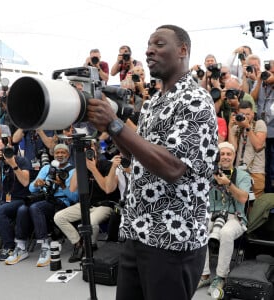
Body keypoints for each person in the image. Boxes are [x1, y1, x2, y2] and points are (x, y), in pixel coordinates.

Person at [87, 24, 218, 300]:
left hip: (172, 239)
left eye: (159, 44)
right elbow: (137, 154)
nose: (149, 50)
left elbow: (173, 167)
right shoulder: (153, 102)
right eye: (148, 44)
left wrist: (115, 124)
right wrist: (110, 127)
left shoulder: (195, 99)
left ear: (183, 50)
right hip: (139, 231)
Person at [4, 144, 78, 266]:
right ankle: (21, 246)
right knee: (22, 209)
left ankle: (45, 245)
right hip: (45, 198)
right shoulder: (47, 168)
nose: (59, 155)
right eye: (57, 152)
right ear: (53, 155)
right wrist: (37, 184)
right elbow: (31, 188)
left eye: (63, 152)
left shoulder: (73, 171)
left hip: (62, 202)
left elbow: (74, 198)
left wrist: (63, 186)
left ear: (68, 155)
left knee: (35, 208)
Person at [197, 142, 251, 296]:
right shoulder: (210, 173)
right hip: (213, 215)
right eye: (222, 154)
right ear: (217, 156)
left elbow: (243, 198)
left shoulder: (242, 175)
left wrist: (229, 184)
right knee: (200, 229)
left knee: (226, 233)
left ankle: (221, 276)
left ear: (234, 156)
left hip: (235, 217)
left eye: (229, 154)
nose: (225, 157)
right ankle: (204, 274)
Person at [54, 140, 120, 263]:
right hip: (85, 204)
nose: (88, 152)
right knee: (59, 217)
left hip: (104, 205)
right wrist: (80, 165)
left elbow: (107, 189)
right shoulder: (81, 167)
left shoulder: (106, 164)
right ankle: (79, 244)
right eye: (84, 150)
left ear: (96, 150)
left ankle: (89, 246)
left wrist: (93, 169)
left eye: (90, 149)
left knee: (92, 221)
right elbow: (73, 188)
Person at [0, 139, 32, 261]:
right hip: (5, 200)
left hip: (20, 199)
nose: (3, 152)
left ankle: (9, 246)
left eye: (4, 149)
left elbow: (25, 182)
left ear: (10, 147)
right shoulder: (0, 164)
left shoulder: (22, 161)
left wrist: (13, 164)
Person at [228, 100, 267, 198]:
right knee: (240, 203)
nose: (245, 117)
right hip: (239, 171)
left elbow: (258, 145)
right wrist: (230, 128)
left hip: (255, 172)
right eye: (242, 114)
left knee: (254, 206)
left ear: (253, 114)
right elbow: (233, 149)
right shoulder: (237, 127)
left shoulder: (259, 124)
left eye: (247, 114)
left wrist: (247, 127)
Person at [250, 59, 274, 192]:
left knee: (272, 168)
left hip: (273, 130)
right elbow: (252, 97)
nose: (268, 75)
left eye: (272, 72)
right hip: (261, 131)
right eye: (268, 72)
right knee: (264, 166)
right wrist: (259, 80)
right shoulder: (261, 83)